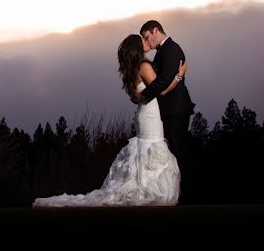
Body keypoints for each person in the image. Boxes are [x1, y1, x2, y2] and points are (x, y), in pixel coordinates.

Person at [32, 33, 186, 207]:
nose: (147, 41)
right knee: (151, 147)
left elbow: (137, 97)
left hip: (144, 113)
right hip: (150, 115)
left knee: (146, 150)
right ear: (137, 47)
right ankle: (145, 189)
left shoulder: (133, 70)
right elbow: (161, 90)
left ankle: (143, 186)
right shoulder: (144, 66)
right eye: (143, 40)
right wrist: (179, 75)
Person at [133, 20, 196, 200]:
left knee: (178, 152)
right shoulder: (163, 51)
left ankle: (186, 196)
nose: (147, 42)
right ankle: (176, 195)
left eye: (147, 37)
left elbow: (163, 81)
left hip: (176, 110)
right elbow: (164, 81)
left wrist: (143, 96)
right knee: (172, 153)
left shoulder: (171, 49)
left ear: (155, 30)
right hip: (168, 110)